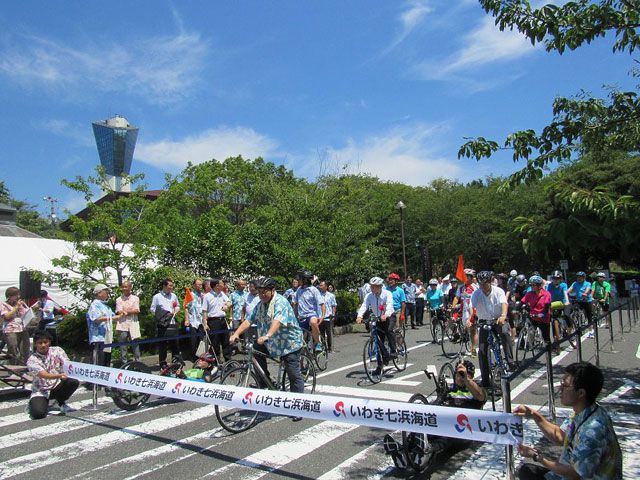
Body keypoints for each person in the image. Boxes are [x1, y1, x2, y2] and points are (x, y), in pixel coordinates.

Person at [515, 362, 622, 479]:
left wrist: (536, 456)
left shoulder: (592, 430)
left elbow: (574, 473)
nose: (560, 389)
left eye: (565, 386)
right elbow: (560, 437)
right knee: (527, 471)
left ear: (581, 393)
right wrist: (534, 415)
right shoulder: (586, 411)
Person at [384, 360, 486, 471]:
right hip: (443, 423)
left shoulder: (475, 389)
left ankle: (428, 450)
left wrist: (466, 378)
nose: (460, 378)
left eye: (464, 375)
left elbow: (480, 395)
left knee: (446, 433)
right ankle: (403, 452)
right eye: (458, 374)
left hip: (463, 432)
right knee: (425, 425)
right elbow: (436, 404)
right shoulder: (450, 390)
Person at [230, 276, 306, 421]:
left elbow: (277, 320)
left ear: (272, 291)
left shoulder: (280, 302)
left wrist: (268, 335)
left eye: (265, 292)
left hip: (289, 343)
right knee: (257, 350)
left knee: (293, 373)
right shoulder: (260, 305)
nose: (262, 295)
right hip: (271, 341)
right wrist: (236, 333)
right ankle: (263, 379)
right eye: (259, 293)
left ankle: (298, 407)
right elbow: (248, 320)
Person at [471, 270, 512, 386]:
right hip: (484, 321)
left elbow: (504, 303)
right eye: (481, 284)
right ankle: (485, 378)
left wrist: (503, 316)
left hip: (498, 319)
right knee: (482, 349)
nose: (483, 286)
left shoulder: (498, 291)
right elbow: (472, 306)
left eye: (485, 283)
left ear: (490, 282)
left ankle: (510, 360)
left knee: (504, 333)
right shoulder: (477, 293)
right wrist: (470, 319)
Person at [26, 330, 79, 419]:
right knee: (38, 414)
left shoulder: (57, 350)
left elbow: (67, 363)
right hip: (41, 389)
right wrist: (60, 375)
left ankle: (60, 401)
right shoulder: (32, 360)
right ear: (35, 344)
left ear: (49, 342)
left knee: (73, 382)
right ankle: (33, 404)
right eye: (40, 343)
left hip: (57, 385)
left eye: (45, 342)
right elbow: (44, 375)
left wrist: (68, 372)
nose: (43, 345)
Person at [356, 276, 395, 375]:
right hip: (377, 318)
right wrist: (359, 316)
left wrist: (386, 314)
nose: (372, 289)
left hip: (388, 316)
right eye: (372, 287)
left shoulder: (387, 294)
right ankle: (379, 366)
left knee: (389, 330)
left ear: (380, 286)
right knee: (378, 341)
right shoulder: (369, 296)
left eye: (375, 287)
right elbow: (364, 306)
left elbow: (390, 305)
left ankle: (394, 351)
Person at [87, 283, 120, 367]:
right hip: (97, 338)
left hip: (107, 337)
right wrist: (111, 318)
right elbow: (96, 319)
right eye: (106, 291)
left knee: (106, 361)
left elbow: (114, 316)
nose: (107, 294)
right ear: (99, 293)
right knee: (98, 362)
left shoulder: (105, 306)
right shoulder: (94, 305)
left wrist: (121, 314)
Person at [150, 279, 181, 369]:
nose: (171, 287)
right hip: (162, 323)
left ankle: (176, 362)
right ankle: (163, 363)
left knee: (175, 344)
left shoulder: (173, 296)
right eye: (170, 286)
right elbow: (152, 309)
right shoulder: (157, 297)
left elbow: (177, 305)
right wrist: (162, 314)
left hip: (172, 321)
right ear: (164, 286)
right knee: (162, 345)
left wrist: (177, 309)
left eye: (172, 286)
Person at [201, 278, 232, 362]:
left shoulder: (222, 294)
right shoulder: (207, 296)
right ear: (217, 286)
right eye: (221, 284)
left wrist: (226, 306)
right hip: (213, 321)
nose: (223, 285)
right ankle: (215, 361)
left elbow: (229, 302)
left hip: (222, 320)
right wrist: (205, 323)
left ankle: (228, 360)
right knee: (215, 342)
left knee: (226, 341)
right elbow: (204, 311)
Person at [295, 271, 325, 352]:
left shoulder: (313, 290)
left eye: (300, 279)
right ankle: (302, 361)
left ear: (305, 280)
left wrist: (322, 316)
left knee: (313, 322)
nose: (299, 281)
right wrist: (295, 316)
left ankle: (318, 342)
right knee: (300, 343)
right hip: (302, 317)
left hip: (311, 314)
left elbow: (322, 304)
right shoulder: (299, 290)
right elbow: (296, 304)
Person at [451, 269, 478, 356]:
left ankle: (474, 349)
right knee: (454, 321)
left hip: (473, 309)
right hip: (464, 309)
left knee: (473, 330)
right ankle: (461, 336)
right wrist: (453, 306)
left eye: (467, 276)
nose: (465, 278)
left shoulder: (475, 287)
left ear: (471, 277)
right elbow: (456, 297)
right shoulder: (461, 287)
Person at [1, 286, 31, 364]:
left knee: (24, 350)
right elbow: (7, 316)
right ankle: (12, 369)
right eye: (16, 295)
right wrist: (16, 307)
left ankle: (24, 368)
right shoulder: (4, 305)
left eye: (19, 295)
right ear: (9, 296)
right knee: (13, 350)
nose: (18, 297)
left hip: (22, 328)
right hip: (11, 330)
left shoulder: (20, 304)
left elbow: (25, 314)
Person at [114, 280, 141, 363]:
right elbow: (118, 311)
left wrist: (127, 311)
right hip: (122, 325)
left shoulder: (135, 298)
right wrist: (126, 311)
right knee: (123, 346)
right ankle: (124, 363)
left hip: (133, 324)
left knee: (135, 345)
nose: (124, 288)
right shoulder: (119, 299)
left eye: (126, 287)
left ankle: (138, 362)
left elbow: (137, 310)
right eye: (123, 287)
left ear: (130, 288)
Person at [522, 274, 553, 347]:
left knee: (546, 337)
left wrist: (543, 314)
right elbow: (522, 302)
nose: (532, 286)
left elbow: (547, 306)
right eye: (531, 285)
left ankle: (549, 348)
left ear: (539, 285)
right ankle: (527, 343)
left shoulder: (546, 294)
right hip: (533, 316)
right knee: (529, 330)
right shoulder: (529, 294)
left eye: (534, 285)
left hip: (543, 318)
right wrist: (515, 310)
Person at [546, 270, 573, 352]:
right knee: (552, 320)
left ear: (560, 279)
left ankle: (569, 330)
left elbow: (565, 292)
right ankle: (555, 338)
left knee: (566, 315)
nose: (555, 280)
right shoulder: (550, 286)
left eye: (557, 278)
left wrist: (567, 301)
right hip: (554, 304)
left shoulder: (563, 285)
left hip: (564, 303)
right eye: (554, 278)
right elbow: (546, 294)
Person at [183, 278, 205, 361]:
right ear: (194, 286)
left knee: (201, 339)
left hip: (201, 321)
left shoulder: (203, 296)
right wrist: (186, 320)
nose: (200, 286)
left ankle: (201, 356)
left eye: (201, 284)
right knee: (193, 340)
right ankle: (192, 356)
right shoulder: (190, 295)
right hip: (193, 320)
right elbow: (186, 308)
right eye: (198, 284)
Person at [567, 272, 593, 337]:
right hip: (579, 301)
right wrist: (565, 293)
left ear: (584, 277)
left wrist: (585, 293)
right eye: (578, 277)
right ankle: (574, 325)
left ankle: (591, 331)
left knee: (589, 316)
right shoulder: (575, 283)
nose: (579, 278)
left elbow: (588, 289)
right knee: (572, 311)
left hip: (587, 301)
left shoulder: (587, 283)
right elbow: (569, 290)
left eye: (581, 277)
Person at [317, 280, 337, 352]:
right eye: (320, 285)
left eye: (322, 285)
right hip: (321, 316)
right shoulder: (318, 295)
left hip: (328, 316)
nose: (320, 287)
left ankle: (330, 347)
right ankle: (323, 347)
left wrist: (333, 314)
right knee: (321, 333)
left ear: (326, 286)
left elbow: (333, 305)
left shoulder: (331, 296)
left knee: (329, 333)